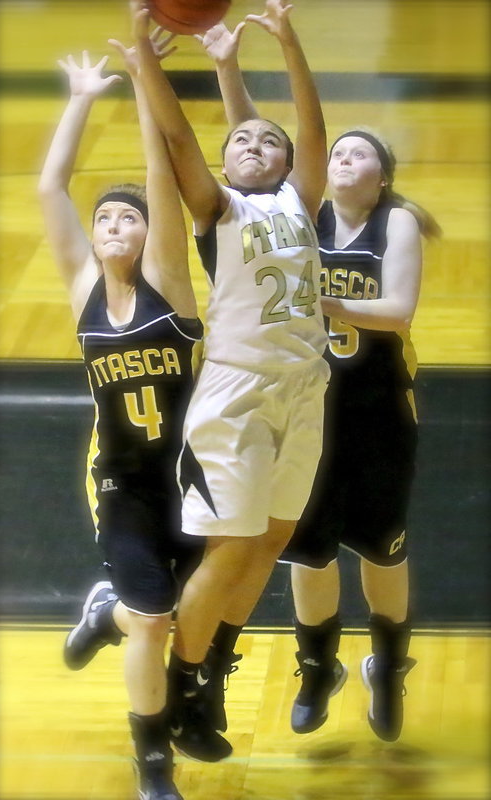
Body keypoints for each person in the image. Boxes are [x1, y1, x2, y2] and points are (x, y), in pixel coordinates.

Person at [197, 21, 442, 744]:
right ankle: (317, 665)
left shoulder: (393, 222)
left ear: (381, 174)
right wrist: (228, 63)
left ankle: (387, 666)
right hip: (305, 404)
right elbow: (252, 142)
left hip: (377, 409)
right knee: (308, 551)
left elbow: (395, 313)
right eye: (332, 151)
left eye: (356, 151)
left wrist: (323, 301)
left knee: (382, 549)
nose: (339, 157)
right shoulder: (294, 211)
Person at [131, 0, 330, 762]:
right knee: (232, 542)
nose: (254, 142)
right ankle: (182, 681)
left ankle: (213, 668)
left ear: (283, 163)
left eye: (266, 140)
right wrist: (147, 64)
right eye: (241, 137)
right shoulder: (221, 207)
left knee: (271, 539)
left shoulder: (298, 202)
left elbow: (309, 129)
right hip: (238, 391)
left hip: (303, 389)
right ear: (226, 162)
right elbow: (181, 137)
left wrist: (288, 42)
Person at [38, 31, 203, 800]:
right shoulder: (81, 289)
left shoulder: (170, 278)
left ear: (147, 234)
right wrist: (77, 103)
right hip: (122, 481)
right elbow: (49, 191)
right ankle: (152, 762)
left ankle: (110, 612)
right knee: (156, 621)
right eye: (103, 218)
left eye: (125, 218)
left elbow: (159, 178)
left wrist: (145, 76)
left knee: (182, 617)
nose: (110, 225)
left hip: (195, 475)